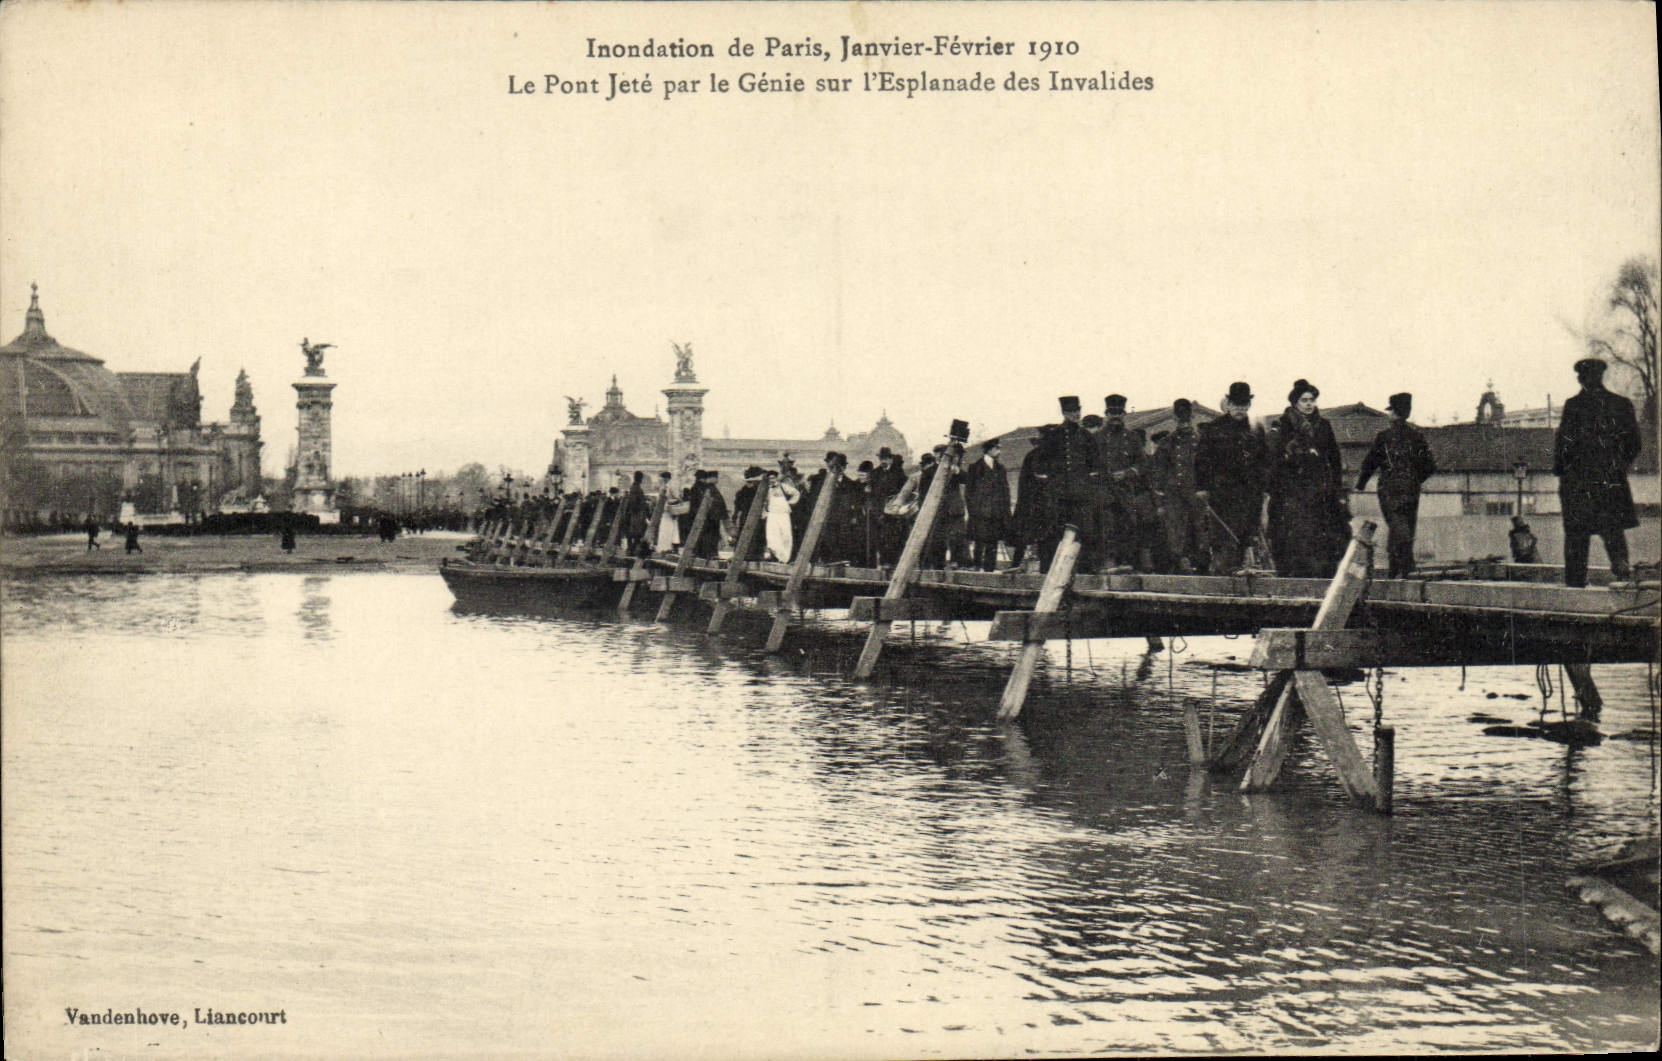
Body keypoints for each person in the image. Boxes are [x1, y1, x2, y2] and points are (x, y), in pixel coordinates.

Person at [1554, 357, 1641, 586]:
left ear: (1583, 378)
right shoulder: (1620, 404)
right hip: (1606, 483)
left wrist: (1565, 477)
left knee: (1578, 538)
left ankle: (1575, 587)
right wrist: (1617, 467)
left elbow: (1563, 446)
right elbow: (1634, 444)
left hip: (1580, 485)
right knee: (1611, 533)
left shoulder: (1574, 406)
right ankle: (1622, 580)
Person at [1266, 379, 1347, 578]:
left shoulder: (1323, 426)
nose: (1309, 404)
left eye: (1312, 400)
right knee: (1295, 531)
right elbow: (1273, 457)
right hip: (1292, 488)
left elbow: (1334, 457)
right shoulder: (1283, 425)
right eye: (1304, 400)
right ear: (1295, 402)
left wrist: (1336, 486)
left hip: (1319, 487)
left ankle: (1319, 573)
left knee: (1322, 529)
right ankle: (1295, 572)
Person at [1355, 392, 1437, 578]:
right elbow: (1430, 466)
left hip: (1389, 490)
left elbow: (1370, 463)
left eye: (1390, 410)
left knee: (1397, 526)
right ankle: (1398, 569)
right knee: (1406, 525)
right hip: (1411, 490)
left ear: (1393, 413)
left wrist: (1360, 484)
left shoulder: (1384, 437)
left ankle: (1404, 566)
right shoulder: (1417, 437)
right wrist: (1415, 479)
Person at [1196, 382, 1269, 574]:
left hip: (1250, 493)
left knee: (1248, 533)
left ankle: (1247, 570)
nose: (1240, 409)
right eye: (1236, 405)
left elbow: (1264, 460)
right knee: (1224, 536)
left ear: (1249, 405)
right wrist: (1202, 488)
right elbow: (1202, 461)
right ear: (1228, 404)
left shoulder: (1256, 429)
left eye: (1244, 405)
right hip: (1223, 493)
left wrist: (1264, 487)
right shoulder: (1214, 429)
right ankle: (1223, 574)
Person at [1042, 395, 1103, 571]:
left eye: (1077, 410)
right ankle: (1053, 568)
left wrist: (1087, 483)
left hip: (1081, 492)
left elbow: (1095, 464)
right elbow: (1043, 463)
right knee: (1056, 530)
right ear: (1063, 413)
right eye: (1071, 411)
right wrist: (1053, 481)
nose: (1075, 414)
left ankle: (1084, 568)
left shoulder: (1086, 436)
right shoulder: (1053, 436)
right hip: (1059, 493)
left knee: (1085, 530)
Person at [1153, 399, 1204, 573]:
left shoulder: (1202, 442)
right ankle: (1179, 566)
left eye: (1187, 417)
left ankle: (1200, 567)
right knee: (1175, 535)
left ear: (1193, 416)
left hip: (1196, 495)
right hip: (1173, 497)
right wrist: (1160, 503)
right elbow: (1158, 475)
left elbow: (1208, 469)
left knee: (1200, 533)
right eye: (1180, 417)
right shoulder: (1166, 443)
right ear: (1174, 417)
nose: (1184, 422)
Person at [1099, 394, 1150, 570]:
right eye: (1112, 413)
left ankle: (1126, 561)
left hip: (1126, 490)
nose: (1116, 417)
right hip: (1104, 490)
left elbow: (1143, 463)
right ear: (1106, 414)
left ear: (1124, 415)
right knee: (1107, 525)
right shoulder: (1096, 438)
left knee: (1128, 525)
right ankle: (1109, 560)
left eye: (1119, 414)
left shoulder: (1132, 438)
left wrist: (1128, 473)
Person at [1010, 426, 1057, 570]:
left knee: (1046, 538)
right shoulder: (1035, 457)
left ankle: (1044, 568)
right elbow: (1032, 480)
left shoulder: (1051, 456)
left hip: (1044, 503)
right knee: (1041, 537)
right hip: (1037, 504)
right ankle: (1039, 568)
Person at [963, 437, 1011, 571]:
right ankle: (977, 565)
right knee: (979, 540)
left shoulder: (1000, 468)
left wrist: (1005, 510)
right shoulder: (975, 468)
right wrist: (973, 510)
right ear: (989, 450)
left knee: (993, 541)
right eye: (997, 448)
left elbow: (1005, 490)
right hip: (980, 511)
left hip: (996, 511)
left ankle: (989, 568)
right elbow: (969, 492)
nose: (999, 451)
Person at [765, 457, 802, 562]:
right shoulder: (767, 489)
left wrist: (789, 503)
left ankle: (785, 558)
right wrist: (766, 511)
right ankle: (777, 555)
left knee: (786, 535)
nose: (771, 480)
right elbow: (765, 502)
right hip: (772, 514)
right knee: (772, 537)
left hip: (783, 514)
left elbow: (796, 493)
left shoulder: (784, 486)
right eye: (770, 479)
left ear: (776, 478)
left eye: (773, 478)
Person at [731, 467, 770, 560]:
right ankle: (747, 556)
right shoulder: (746, 492)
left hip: (756, 518)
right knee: (749, 536)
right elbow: (739, 507)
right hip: (749, 517)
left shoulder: (747, 491)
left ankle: (753, 556)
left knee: (758, 537)